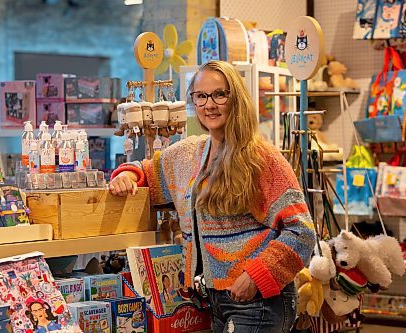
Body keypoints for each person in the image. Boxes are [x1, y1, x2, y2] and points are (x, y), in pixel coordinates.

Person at [109, 60, 316, 332]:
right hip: (212, 300)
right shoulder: (187, 154)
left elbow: (302, 231)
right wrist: (126, 177)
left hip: (259, 302)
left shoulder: (261, 158)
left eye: (219, 94)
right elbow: (146, 171)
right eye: (201, 96)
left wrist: (257, 275)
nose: (209, 104)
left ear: (236, 99)